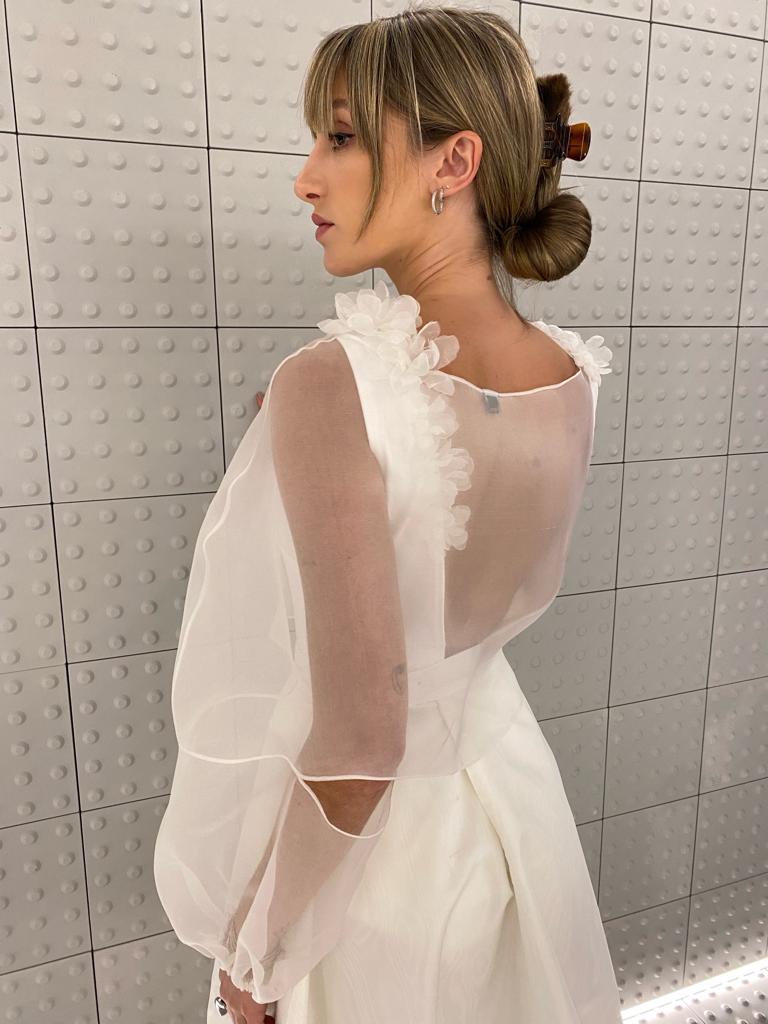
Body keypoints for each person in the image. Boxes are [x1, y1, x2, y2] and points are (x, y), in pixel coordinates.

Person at [153, 6, 622, 1023]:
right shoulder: (570, 376)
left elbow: (363, 734)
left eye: (341, 136)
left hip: (378, 873)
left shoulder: (335, 385)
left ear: (454, 161)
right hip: (510, 810)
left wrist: (260, 956)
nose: (306, 177)